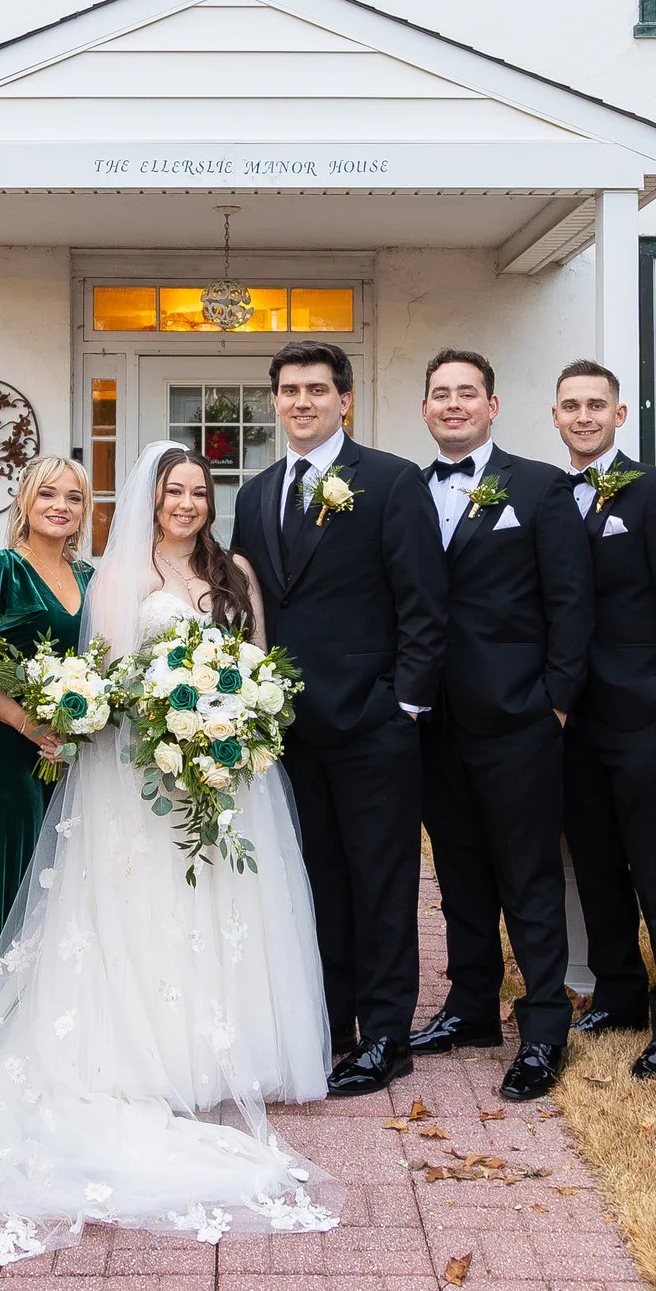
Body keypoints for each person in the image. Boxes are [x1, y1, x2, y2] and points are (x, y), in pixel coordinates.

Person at [0, 443, 336, 1266]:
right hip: (145, 758)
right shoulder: (114, 572)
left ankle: (229, 1050)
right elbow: (103, 674)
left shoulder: (235, 569)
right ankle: (155, 1052)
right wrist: (160, 724)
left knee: (226, 903)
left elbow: (255, 658)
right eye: (172, 490)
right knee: (145, 905)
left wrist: (237, 713)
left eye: (197, 492)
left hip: (229, 760)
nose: (184, 503)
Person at [229, 341, 448, 1096]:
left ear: (344, 399)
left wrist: (404, 702)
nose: (301, 402)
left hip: (373, 723)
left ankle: (388, 1033)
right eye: (288, 390)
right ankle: (331, 1022)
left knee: (382, 882)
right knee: (314, 881)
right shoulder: (255, 495)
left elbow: (424, 601)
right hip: (288, 732)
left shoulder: (390, 481)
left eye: (316, 390)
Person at [404, 350, 590, 1102]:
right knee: (459, 873)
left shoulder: (541, 486)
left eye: (466, 393)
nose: (453, 404)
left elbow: (573, 601)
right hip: (433, 719)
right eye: (440, 393)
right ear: (425, 408)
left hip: (519, 716)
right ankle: (471, 1005)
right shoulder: (407, 493)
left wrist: (556, 700)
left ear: (493, 404)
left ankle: (544, 1026)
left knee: (528, 873)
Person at [549, 360, 656, 1080]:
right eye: (570, 405)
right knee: (597, 864)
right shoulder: (554, 494)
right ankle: (618, 992)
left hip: (644, 713)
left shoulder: (655, 491)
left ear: (619, 415)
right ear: (556, 416)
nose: (583, 416)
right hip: (573, 716)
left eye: (596, 405)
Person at [0, 453, 95, 985]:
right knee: (6, 876)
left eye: (74, 497)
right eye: (48, 494)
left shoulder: (88, 575)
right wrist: (25, 724)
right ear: (25, 502)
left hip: (68, 750)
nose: (61, 506)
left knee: (59, 878)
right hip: (5, 748)